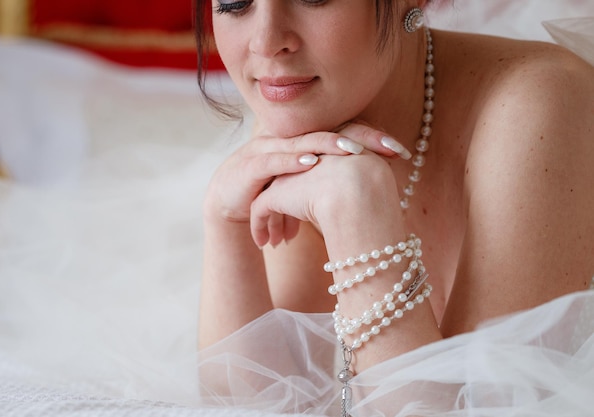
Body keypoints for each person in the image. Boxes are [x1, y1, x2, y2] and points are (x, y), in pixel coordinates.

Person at [194, 0, 594, 415]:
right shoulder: (304, 113)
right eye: (234, 2)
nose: (265, 42)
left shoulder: (542, 107)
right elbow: (276, 403)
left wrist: (357, 216)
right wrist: (226, 223)